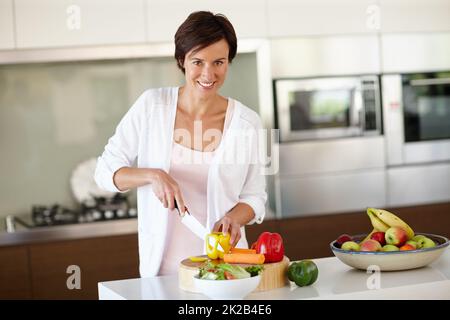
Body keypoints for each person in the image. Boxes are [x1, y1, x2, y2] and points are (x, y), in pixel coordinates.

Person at [94, 11, 267, 277]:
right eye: (197, 61)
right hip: (163, 272)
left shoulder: (247, 123)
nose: (208, 74)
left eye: (219, 62)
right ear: (181, 61)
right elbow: (105, 172)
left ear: (229, 62)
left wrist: (234, 218)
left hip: (227, 271)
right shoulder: (152, 106)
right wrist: (153, 175)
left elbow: (255, 197)